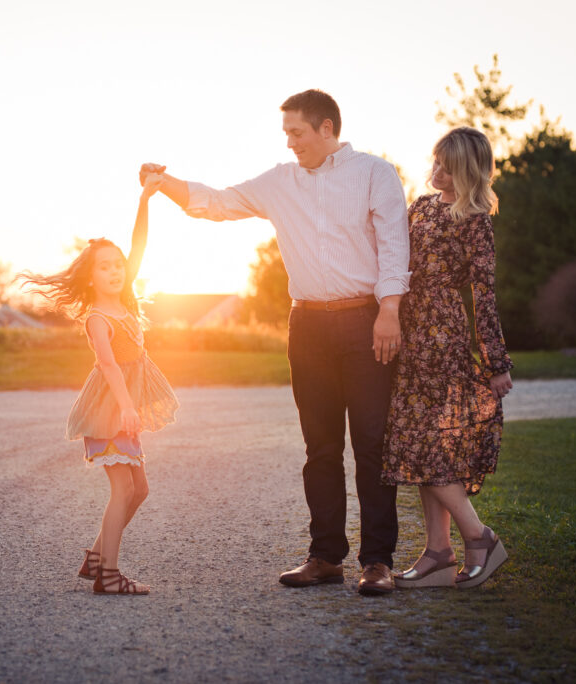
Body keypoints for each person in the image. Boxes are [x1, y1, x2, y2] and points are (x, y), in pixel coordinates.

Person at [140, 89, 410, 595]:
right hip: (306, 327)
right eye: (285, 133)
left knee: (373, 444)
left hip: (365, 321)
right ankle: (326, 556)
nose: (289, 143)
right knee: (321, 447)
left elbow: (396, 243)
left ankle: (378, 562)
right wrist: (165, 182)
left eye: (297, 133)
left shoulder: (375, 173)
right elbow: (217, 203)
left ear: (327, 128)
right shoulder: (279, 182)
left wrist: (390, 311)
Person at [20, 174, 178, 596]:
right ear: (91, 277)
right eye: (104, 267)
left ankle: (95, 557)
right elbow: (108, 367)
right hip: (109, 409)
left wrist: (146, 199)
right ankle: (108, 575)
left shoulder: (126, 301)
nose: (114, 271)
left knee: (139, 489)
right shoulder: (98, 318)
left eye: (118, 265)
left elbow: (138, 242)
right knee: (123, 489)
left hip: (123, 407)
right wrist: (127, 408)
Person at [381, 127, 512, 589]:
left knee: (422, 445)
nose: (436, 172)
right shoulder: (420, 205)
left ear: (469, 172)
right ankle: (438, 551)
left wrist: (496, 362)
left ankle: (479, 538)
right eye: (435, 163)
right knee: (424, 446)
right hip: (408, 331)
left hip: (442, 336)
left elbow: (484, 295)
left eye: (448, 168)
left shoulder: (476, 219)